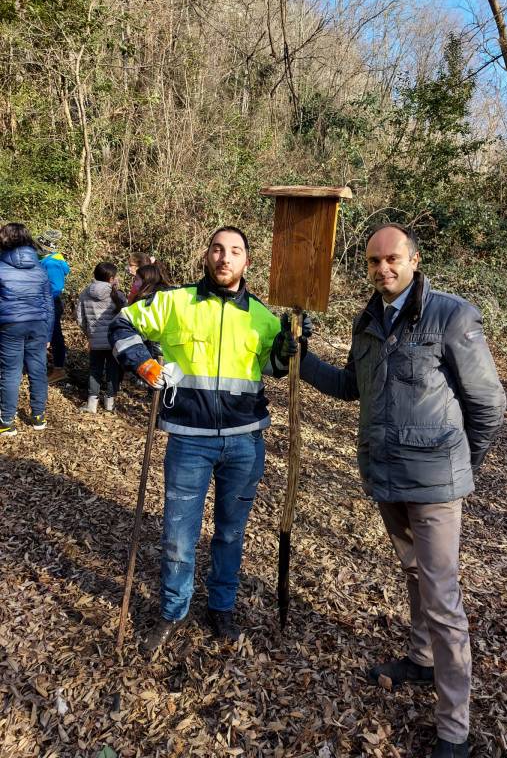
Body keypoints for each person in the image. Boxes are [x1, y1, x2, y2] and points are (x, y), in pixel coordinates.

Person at [300, 223, 506, 758]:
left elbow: (488, 403)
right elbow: (352, 387)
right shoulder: (367, 319)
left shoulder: (451, 316)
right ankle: (420, 659)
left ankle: (454, 731)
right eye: (372, 261)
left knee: (443, 600)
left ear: (414, 259)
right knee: (413, 573)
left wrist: (462, 464)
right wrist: (302, 359)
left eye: (392, 259)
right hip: (385, 476)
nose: (382, 269)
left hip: (434, 482)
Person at [109, 226, 309, 651]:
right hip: (188, 440)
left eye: (235, 251)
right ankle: (172, 611)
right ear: (206, 255)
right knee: (178, 536)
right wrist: (144, 365)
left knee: (230, 534)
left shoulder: (262, 315)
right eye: (218, 249)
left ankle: (221, 608)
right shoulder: (175, 302)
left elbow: (275, 366)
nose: (225, 258)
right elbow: (122, 323)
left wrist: (291, 347)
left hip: (244, 443)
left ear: (246, 262)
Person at [0, 223, 54, 435]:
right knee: (38, 370)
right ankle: (39, 417)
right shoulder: (40, 268)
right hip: (38, 324)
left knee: (11, 373)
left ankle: (6, 422)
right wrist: (48, 333)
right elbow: (48, 303)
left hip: (10, 325)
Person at [76, 262, 126, 413]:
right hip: (113, 341)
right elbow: (126, 316)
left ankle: (92, 404)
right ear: (111, 278)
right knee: (113, 371)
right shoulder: (117, 295)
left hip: (95, 340)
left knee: (95, 370)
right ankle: (110, 402)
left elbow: (79, 319)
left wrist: (89, 334)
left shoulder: (85, 293)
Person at [37, 229, 71, 383]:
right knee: (51, 334)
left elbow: (55, 287)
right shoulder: (50, 260)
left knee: (53, 335)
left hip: (49, 302)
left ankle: (58, 368)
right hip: (48, 302)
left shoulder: (52, 263)